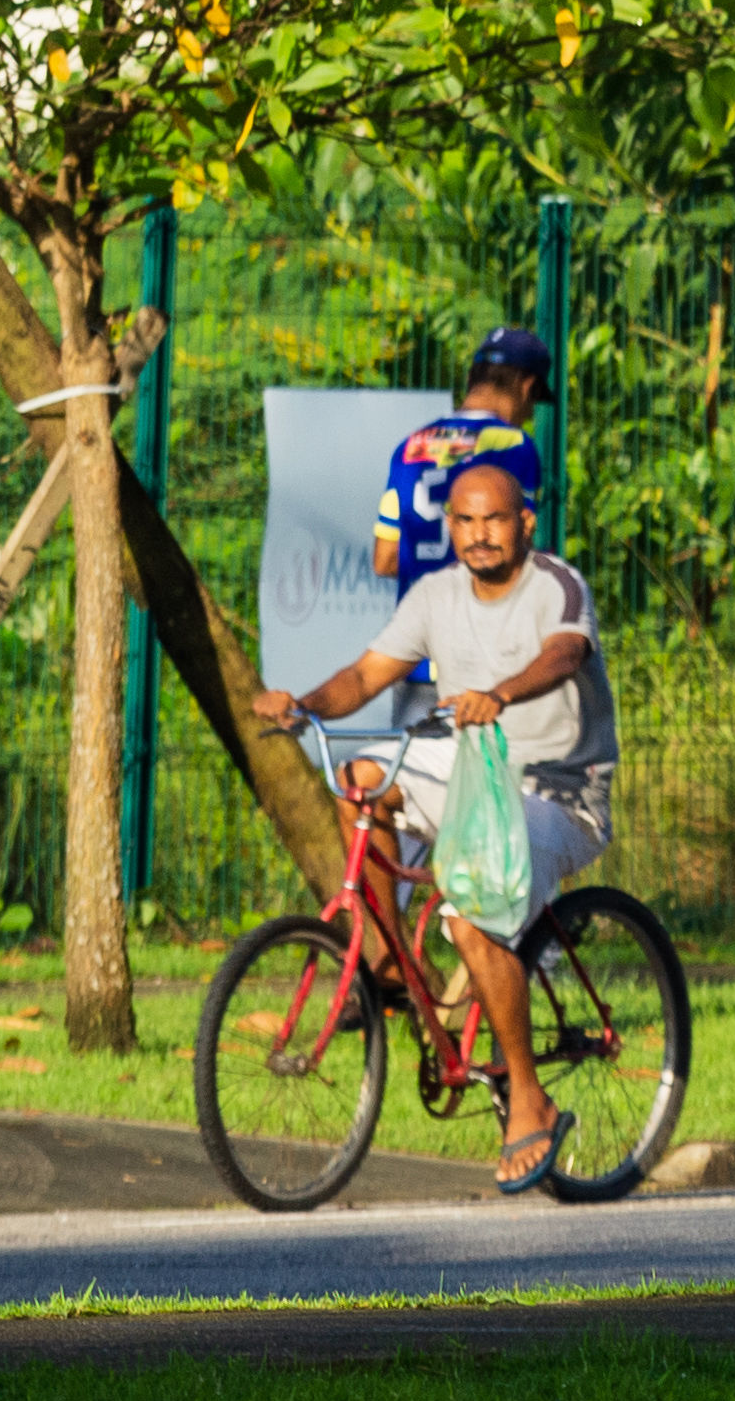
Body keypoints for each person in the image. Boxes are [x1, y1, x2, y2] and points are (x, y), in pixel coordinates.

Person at [256, 461, 618, 1193]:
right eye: (465, 521)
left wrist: (501, 694)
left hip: (555, 793)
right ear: (449, 528)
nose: (479, 535)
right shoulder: (436, 594)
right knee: (359, 784)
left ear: (524, 524)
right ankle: (392, 968)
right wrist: (305, 706)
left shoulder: (556, 587)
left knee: (471, 921)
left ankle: (528, 1097)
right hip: (465, 774)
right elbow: (365, 676)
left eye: (494, 520)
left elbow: (564, 653)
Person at [376, 329, 551, 595]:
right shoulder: (512, 445)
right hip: (479, 623)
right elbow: (514, 549)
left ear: (471, 378)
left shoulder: (409, 446)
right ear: (527, 387)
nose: (528, 414)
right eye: (534, 402)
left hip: (417, 628)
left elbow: (385, 560)